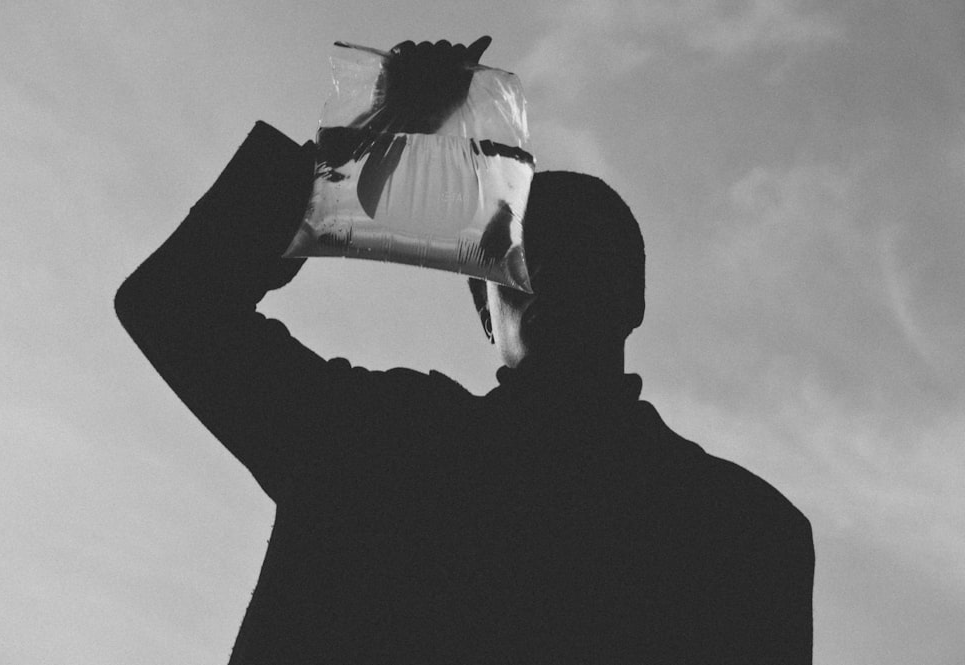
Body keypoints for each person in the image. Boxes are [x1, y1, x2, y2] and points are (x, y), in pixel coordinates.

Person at [115, 39, 814, 664]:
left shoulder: (746, 540)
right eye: (518, 252)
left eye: (577, 252)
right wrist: (364, 143)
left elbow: (177, 307)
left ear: (629, 299)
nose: (543, 269)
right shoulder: (376, 439)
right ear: (484, 312)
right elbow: (173, 306)